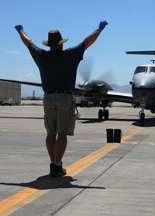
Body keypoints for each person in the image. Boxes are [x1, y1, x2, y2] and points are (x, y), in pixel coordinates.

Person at [14, 20, 108, 177]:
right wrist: (99, 29)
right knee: (62, 133)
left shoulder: (41, 56)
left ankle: (53, 163)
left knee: (51, 133)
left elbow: (28, 43)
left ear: (50, 45)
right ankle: (58, 165)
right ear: (61, 44)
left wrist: (20, 31)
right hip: (65, 98)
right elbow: (87, 42)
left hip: (48, 98)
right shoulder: (70, 55)